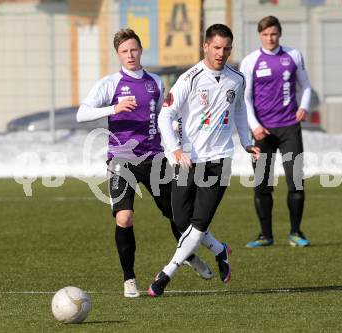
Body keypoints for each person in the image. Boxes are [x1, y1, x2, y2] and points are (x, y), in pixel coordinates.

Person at [76, 29, 213, 298]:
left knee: (177, 214)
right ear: (118, 54)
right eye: (124, 51)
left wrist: (177, 145)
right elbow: (82, 113)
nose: (130, 55)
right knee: (124, 218)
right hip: (121, 159)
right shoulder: (110, 83)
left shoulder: (155, 82)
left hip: (154, 158)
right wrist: (112, 109)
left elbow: (167, 117)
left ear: (141, 50)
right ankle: (129, 278)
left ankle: (188, 256)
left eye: (134, 49)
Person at [147, 24, 260, 297]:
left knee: (197, 224)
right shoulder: (190, 79)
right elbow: (165, 116)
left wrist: (246, 141)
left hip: (219, 161)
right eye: (217, 47)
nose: (222, 53)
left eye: (227, 48)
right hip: (188, 159)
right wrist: (174, 149)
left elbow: (241, 112)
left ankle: (165, 274)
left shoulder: (237, 79)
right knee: (180, 219)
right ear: (205, 46)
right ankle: (220, 250)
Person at [239, 16, 312, 248]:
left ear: (279, 34)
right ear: (260, 35)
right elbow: (245, 98)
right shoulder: (250, 61)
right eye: (265, 34)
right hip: (262, 132)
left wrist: (304, 106)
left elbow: (306, 86)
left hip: (290, 127)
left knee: (296, 182)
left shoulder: (293, 55)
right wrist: (255, 126)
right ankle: (265, 235)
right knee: (262, 184)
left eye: (273, 34)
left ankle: (296, 232)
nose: (270, 38)